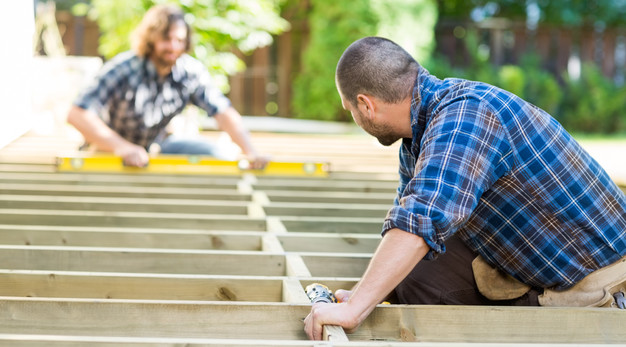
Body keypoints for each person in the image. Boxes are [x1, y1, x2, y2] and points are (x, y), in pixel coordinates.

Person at [304, 36, 626, 340]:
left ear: (366, 105)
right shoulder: (419, 139)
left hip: (599, 283)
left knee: (418, 254)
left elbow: (422, 218)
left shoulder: (466, 116)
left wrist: (354, 310)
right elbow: (407, 227)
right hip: (544, 267)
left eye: (352, 112)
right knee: (416, 273)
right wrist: (364, 294)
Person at [67, 4, 267, 168]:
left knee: (216, 154)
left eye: (179, 40)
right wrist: (123, 148)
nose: (173, 46)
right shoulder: (124, 68)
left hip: (154, 148)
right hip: (108, 150)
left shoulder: (189, 72)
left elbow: (223, 111)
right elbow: (77, 114)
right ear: (151, 38)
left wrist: (251, 151)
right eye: (166, 39)